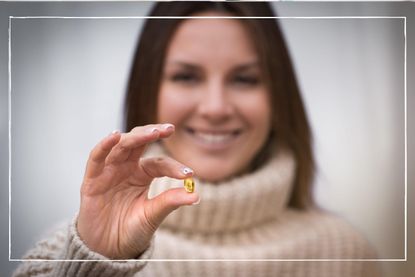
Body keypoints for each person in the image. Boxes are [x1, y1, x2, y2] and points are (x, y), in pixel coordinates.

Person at [14, 2, 379, 276]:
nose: (216, 107)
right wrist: (95, 265)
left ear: (279, 98)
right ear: (147, 91)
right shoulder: (74, 251)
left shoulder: (344, 252)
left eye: (245, 79)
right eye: (186, 77)